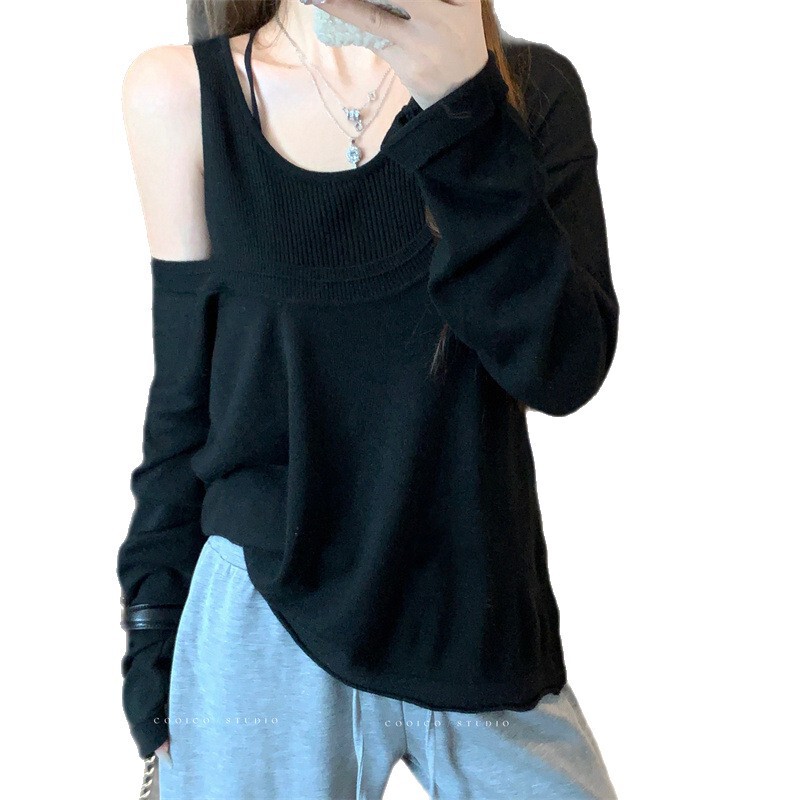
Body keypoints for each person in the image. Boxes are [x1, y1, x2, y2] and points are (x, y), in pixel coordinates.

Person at [117, 0, 620, 797]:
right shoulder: (181, 93)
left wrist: (461, 106)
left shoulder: (527, 91)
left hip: (479, 620)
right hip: (263, 618)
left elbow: (562, 371)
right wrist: (153, 628)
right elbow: (185, 397)